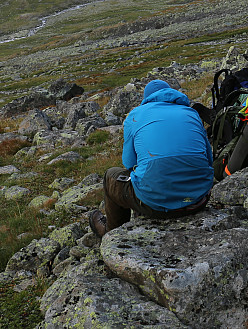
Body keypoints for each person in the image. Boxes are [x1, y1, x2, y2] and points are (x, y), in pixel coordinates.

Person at [90, 79, 213, 236]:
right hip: (198, 201)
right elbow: (209, 159)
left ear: (146, 98)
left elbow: (128, 163)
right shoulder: (191, 113)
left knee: (111, 177)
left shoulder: (135, 115)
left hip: (154, 205)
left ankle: (111, 233)